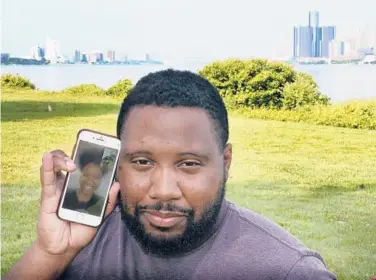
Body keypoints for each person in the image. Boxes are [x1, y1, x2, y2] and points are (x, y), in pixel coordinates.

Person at [4, 69, 337, 280]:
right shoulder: (82, 243)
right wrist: (51, 254)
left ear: (226, 162)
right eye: (143, 162)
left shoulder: (287, 270)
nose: (163, 191)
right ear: (118, 163)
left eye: (189, 163)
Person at [62, 149, 104, 216]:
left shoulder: (101, 204)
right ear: (80, 175)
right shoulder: (65, 196)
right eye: (86, 175)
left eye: (96, 177)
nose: (90, 180)